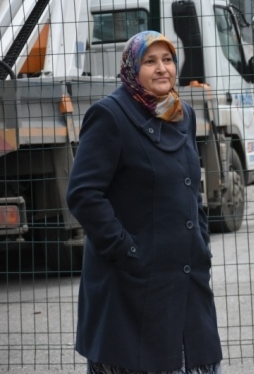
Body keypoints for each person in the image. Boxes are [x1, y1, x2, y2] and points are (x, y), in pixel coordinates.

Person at [66, 31, 222, 374]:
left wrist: (201, 244)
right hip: (129, 289)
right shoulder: (110, 116)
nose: (162, 69)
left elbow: (189, 187)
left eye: (167, 60)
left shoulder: (182, 113)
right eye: (150, 61)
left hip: (185, 284)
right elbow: (83, 194)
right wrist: (128, 251)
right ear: (132, 68)